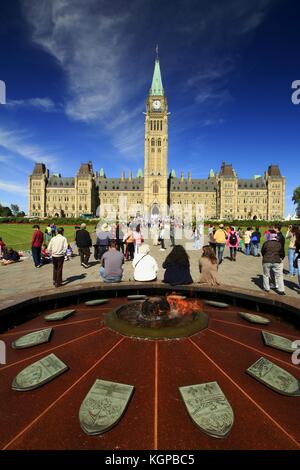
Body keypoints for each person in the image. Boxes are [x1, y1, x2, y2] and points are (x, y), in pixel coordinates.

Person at [261, 230, 285, 295]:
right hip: (277, 260)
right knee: (279, 275)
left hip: (266, 260)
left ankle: (267, 288)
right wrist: (281, 257)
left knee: (266, 275)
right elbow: (282, 253)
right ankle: (281, 290)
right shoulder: (279, 244)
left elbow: (262, 252)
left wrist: (265, 256)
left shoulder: (266, 243)